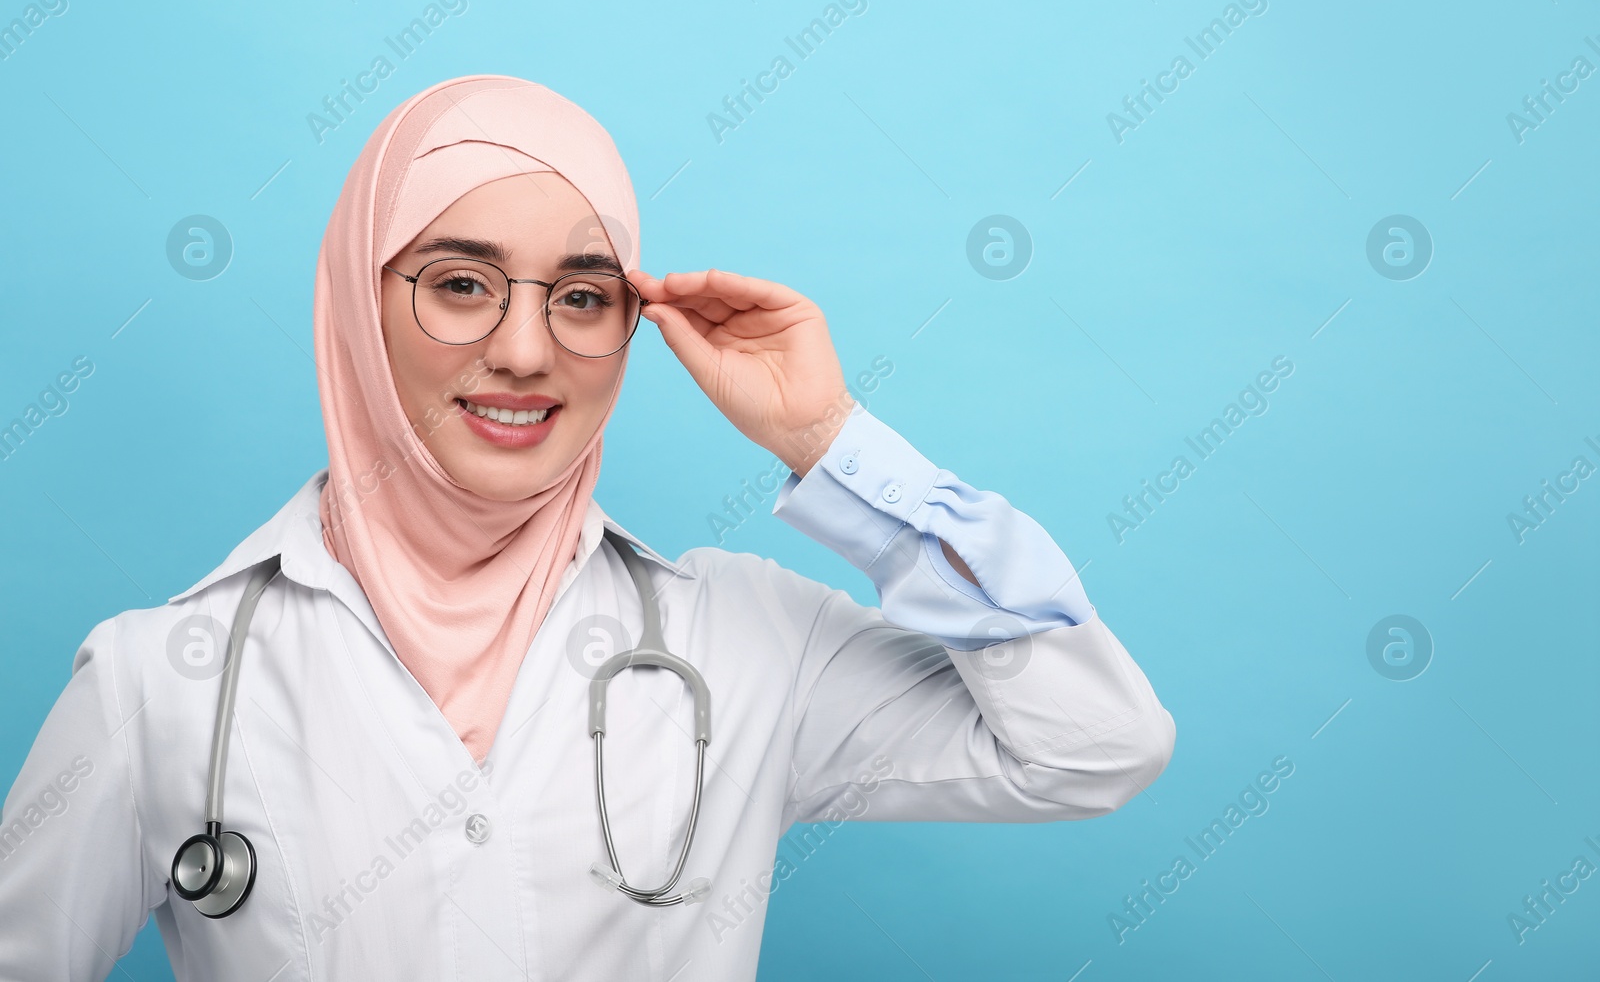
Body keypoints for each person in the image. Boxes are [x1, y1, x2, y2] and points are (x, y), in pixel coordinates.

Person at [0, 75, 1175, 980]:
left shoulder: (744, 640)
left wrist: (832, 438)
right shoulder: (159, 681)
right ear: (360, 305)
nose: (524, 349)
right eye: (460, 282)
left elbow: (1093, 743)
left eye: (581, 296)